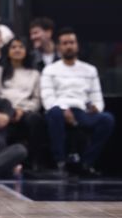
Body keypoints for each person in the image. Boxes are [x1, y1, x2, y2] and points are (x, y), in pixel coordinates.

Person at [41, 29, 115, 177]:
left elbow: (97, 96)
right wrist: (63, 109)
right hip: (59, 109)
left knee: (107, 119)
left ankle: (86, 163)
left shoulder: (90, 70)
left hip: (82, 111)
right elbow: (47, 97)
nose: (69, 46)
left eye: (72, 42)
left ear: (77, 45)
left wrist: (96, 108)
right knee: (54, 113)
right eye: (65, 43)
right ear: (59, 47)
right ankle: (60, 163)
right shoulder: (50, 69)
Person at [0, 37, 46, 170]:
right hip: (3, 111)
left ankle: (32, 163)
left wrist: (22, 111)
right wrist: (9, 110)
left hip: (24, 112)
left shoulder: (34, 74)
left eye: (21, 47)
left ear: (26, 51)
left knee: (36, 119)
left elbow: (36, 100)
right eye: (14, 47)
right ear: (8, 51)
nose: (17, 50)